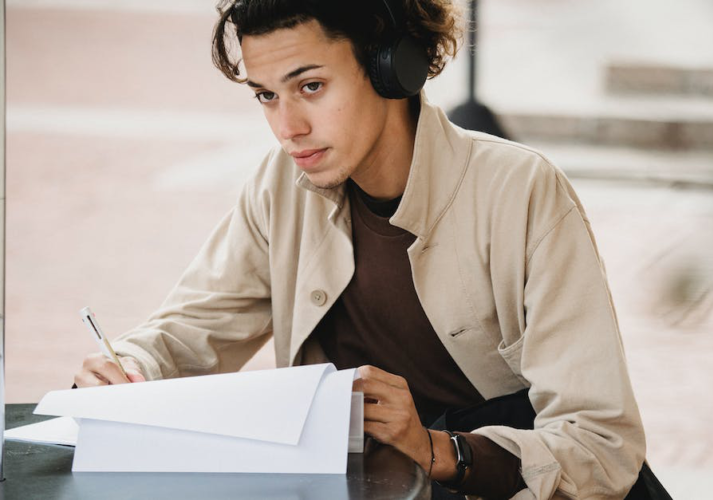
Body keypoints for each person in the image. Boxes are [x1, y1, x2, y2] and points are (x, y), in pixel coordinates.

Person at [73, 1, 646, 498]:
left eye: (311, 87)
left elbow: (602, 444)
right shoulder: (280, 185)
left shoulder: (520, 191)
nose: (287, 126)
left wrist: (437, 449)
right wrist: (129, 369)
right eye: (267, 96)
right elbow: (191, 327)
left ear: (390, 66)